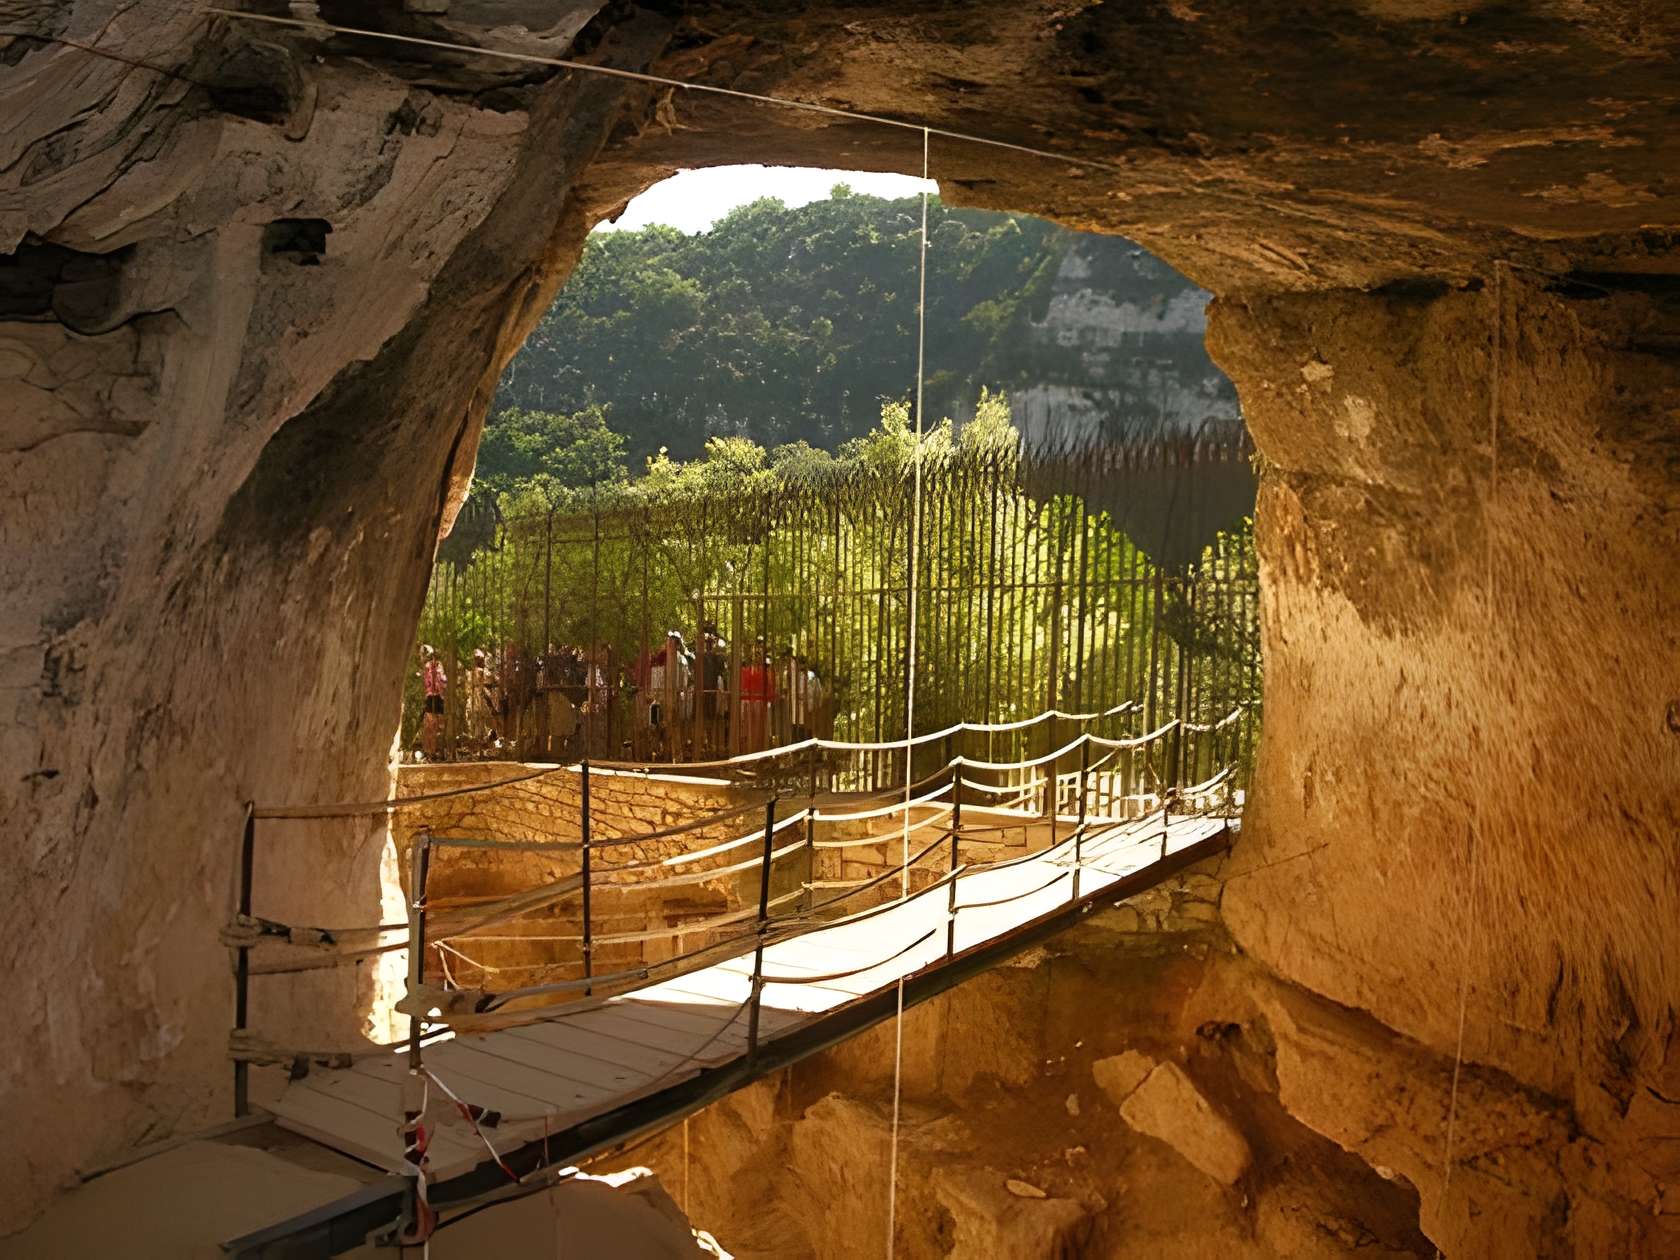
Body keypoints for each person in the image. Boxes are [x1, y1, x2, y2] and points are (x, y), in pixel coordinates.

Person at [739, 636, 775, 752]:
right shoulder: (747, 671)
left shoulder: (765, 672)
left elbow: (769, 686)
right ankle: (750, 749)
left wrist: (769, 698)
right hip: (750, 702)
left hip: (761, 702)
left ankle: (760, 749)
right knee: (750, 727)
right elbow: (744, 686)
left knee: (760, 728)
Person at [419, 645, 446, 762]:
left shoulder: (440, 666)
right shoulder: (427, 667)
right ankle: (429, 750)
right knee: (429, 724)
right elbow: (426, 682)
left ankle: (436, 750)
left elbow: (444, 681)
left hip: (439, 697)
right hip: (430, 696)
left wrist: (439, 681)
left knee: (438, 725)